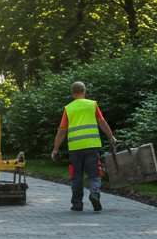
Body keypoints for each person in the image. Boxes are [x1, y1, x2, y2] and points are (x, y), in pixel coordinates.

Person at [50, 81, 118, 212]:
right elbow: (102, 122)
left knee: (76, 176)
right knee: (94, 174)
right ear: (84, 91)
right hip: (92, 146)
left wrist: (55, 149)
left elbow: (62, 130)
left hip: (75, 148)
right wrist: (111, 137)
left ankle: (77, 204)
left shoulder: (68, 108)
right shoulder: (92, 105)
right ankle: (94, 194)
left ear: (72, 93)